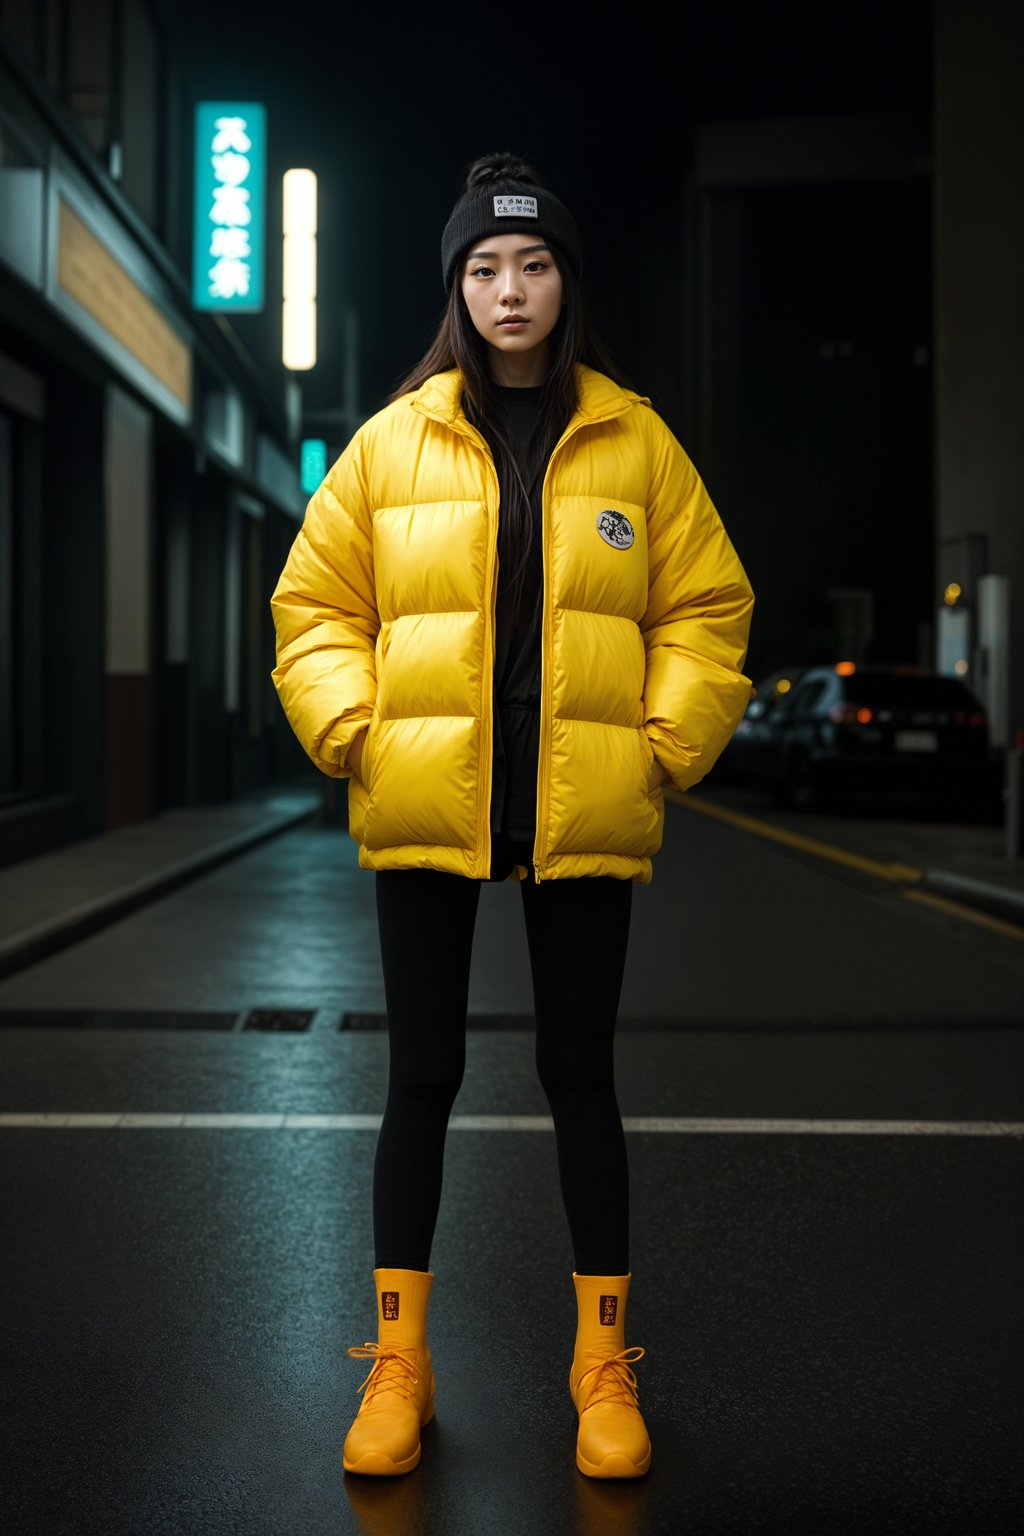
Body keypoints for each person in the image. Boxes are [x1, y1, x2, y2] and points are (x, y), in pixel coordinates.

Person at [270, 151, 755, 1481]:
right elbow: (315, 609)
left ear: (566, 282)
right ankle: (398, 1370)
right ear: (457, 288)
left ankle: (603, 1369)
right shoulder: (392, 441)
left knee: (580, 1078)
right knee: (420, 1078)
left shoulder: (635, 440)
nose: (510, 289)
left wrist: (660, 749)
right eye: (484, 268)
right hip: (430, 797)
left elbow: (709, 609)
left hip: (581, 804)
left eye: (533, 265)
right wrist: (359, 734)